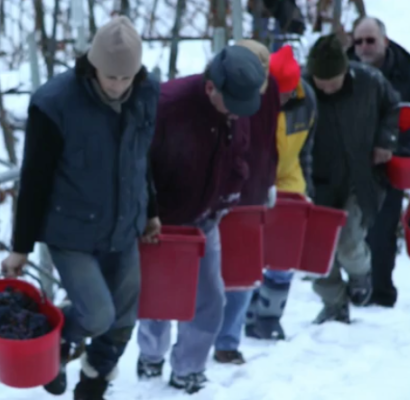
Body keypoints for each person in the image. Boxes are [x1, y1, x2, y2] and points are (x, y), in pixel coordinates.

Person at [0, 16, 161, 400]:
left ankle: (93, 381)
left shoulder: (145, 92)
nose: (118, 86)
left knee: (122, 319)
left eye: (126, 78)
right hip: (70, 229)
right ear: (93, 66)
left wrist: (151, 210)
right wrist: (21, 246)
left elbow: (141, 159)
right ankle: (52, 341)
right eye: (110, 77)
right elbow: (34, 179)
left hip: (124, 225)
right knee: (97, 314)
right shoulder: (54, 104)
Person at [136, 45, 278, 394]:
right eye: (233, 106)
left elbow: (239, 153)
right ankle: (150, 355)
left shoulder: (237, 104)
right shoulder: (166, 106)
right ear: (211, 87)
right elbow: (136, 167)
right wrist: (147, 213)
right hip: (161, 223)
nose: (237, 113)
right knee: (157, 299)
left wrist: (234, 189)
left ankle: (189, 367)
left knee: (211, 299)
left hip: (206, 219)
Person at [348, 16, 410, 308]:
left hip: (393, 166)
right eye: (358, 42)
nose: (364, 47)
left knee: (382, 230)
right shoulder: (340, 74)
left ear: (385, 42)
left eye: (370, 41)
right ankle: (352, 289)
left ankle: (380, 293)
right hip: (347, 166)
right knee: (349, 231)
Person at [303, 34, 400, 324]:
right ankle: (334, 303)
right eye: (322, 81)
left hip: (361, 175)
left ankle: (360, 275)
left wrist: (386, 140)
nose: (327, 87)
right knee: (315, 249)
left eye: (333, 80)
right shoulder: (301, 88)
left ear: (346, 70)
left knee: (348, 240)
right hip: (316, 178)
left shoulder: (369, 81)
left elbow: (393, 109)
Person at [212, 39, 284, 365]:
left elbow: (270, 138)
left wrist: (269, 179)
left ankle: (227, 342)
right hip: (218, 190)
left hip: (252, 192)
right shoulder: (220, 88)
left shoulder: (270, 90)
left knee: (242, 272)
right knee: (212, 271)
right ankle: (203, 339)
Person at [243, 44, 316, 342]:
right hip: (253, 183)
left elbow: (308, 149)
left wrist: (308, 188)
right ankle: (245, 314)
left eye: (287, 93)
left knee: (282, 256)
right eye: (278, 93)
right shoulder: (253, 100)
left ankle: (270, 317)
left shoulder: (307, 99)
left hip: (289, 181)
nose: (282, 99)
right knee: (250, 253)